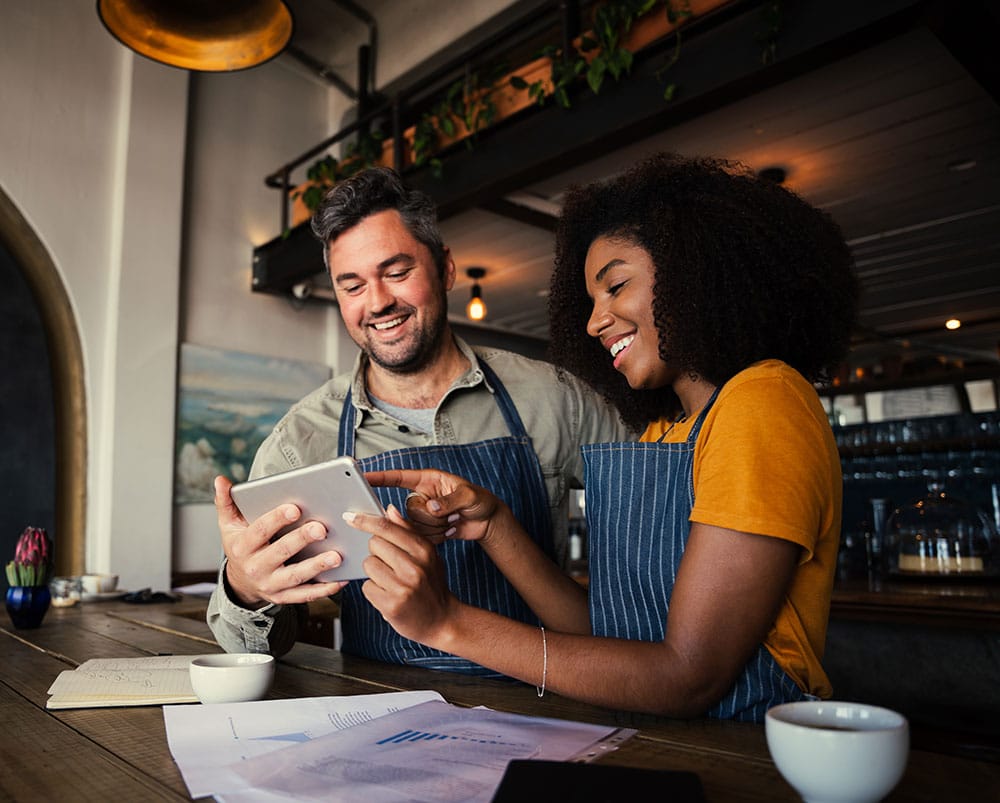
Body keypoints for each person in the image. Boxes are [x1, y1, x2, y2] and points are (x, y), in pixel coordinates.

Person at [345, 152, 860, 721]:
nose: (594, 322)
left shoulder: (763, 402)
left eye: (615, 287)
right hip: (658, 743)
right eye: (591, 301)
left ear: (696, 272)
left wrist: (446, 623)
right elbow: (610, 638)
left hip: (746, 750)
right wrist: (494, 525)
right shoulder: (668, 432)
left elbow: (687, 675)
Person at [207, 166, 633, 674]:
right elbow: (253, 653)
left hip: (554, 704)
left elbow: (656, 549)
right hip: (378, 713)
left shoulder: (556, 398)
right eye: (352, 285)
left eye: (397, 271)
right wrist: (246, 588)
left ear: (445, 268)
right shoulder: (301, 442)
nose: (378, 302)